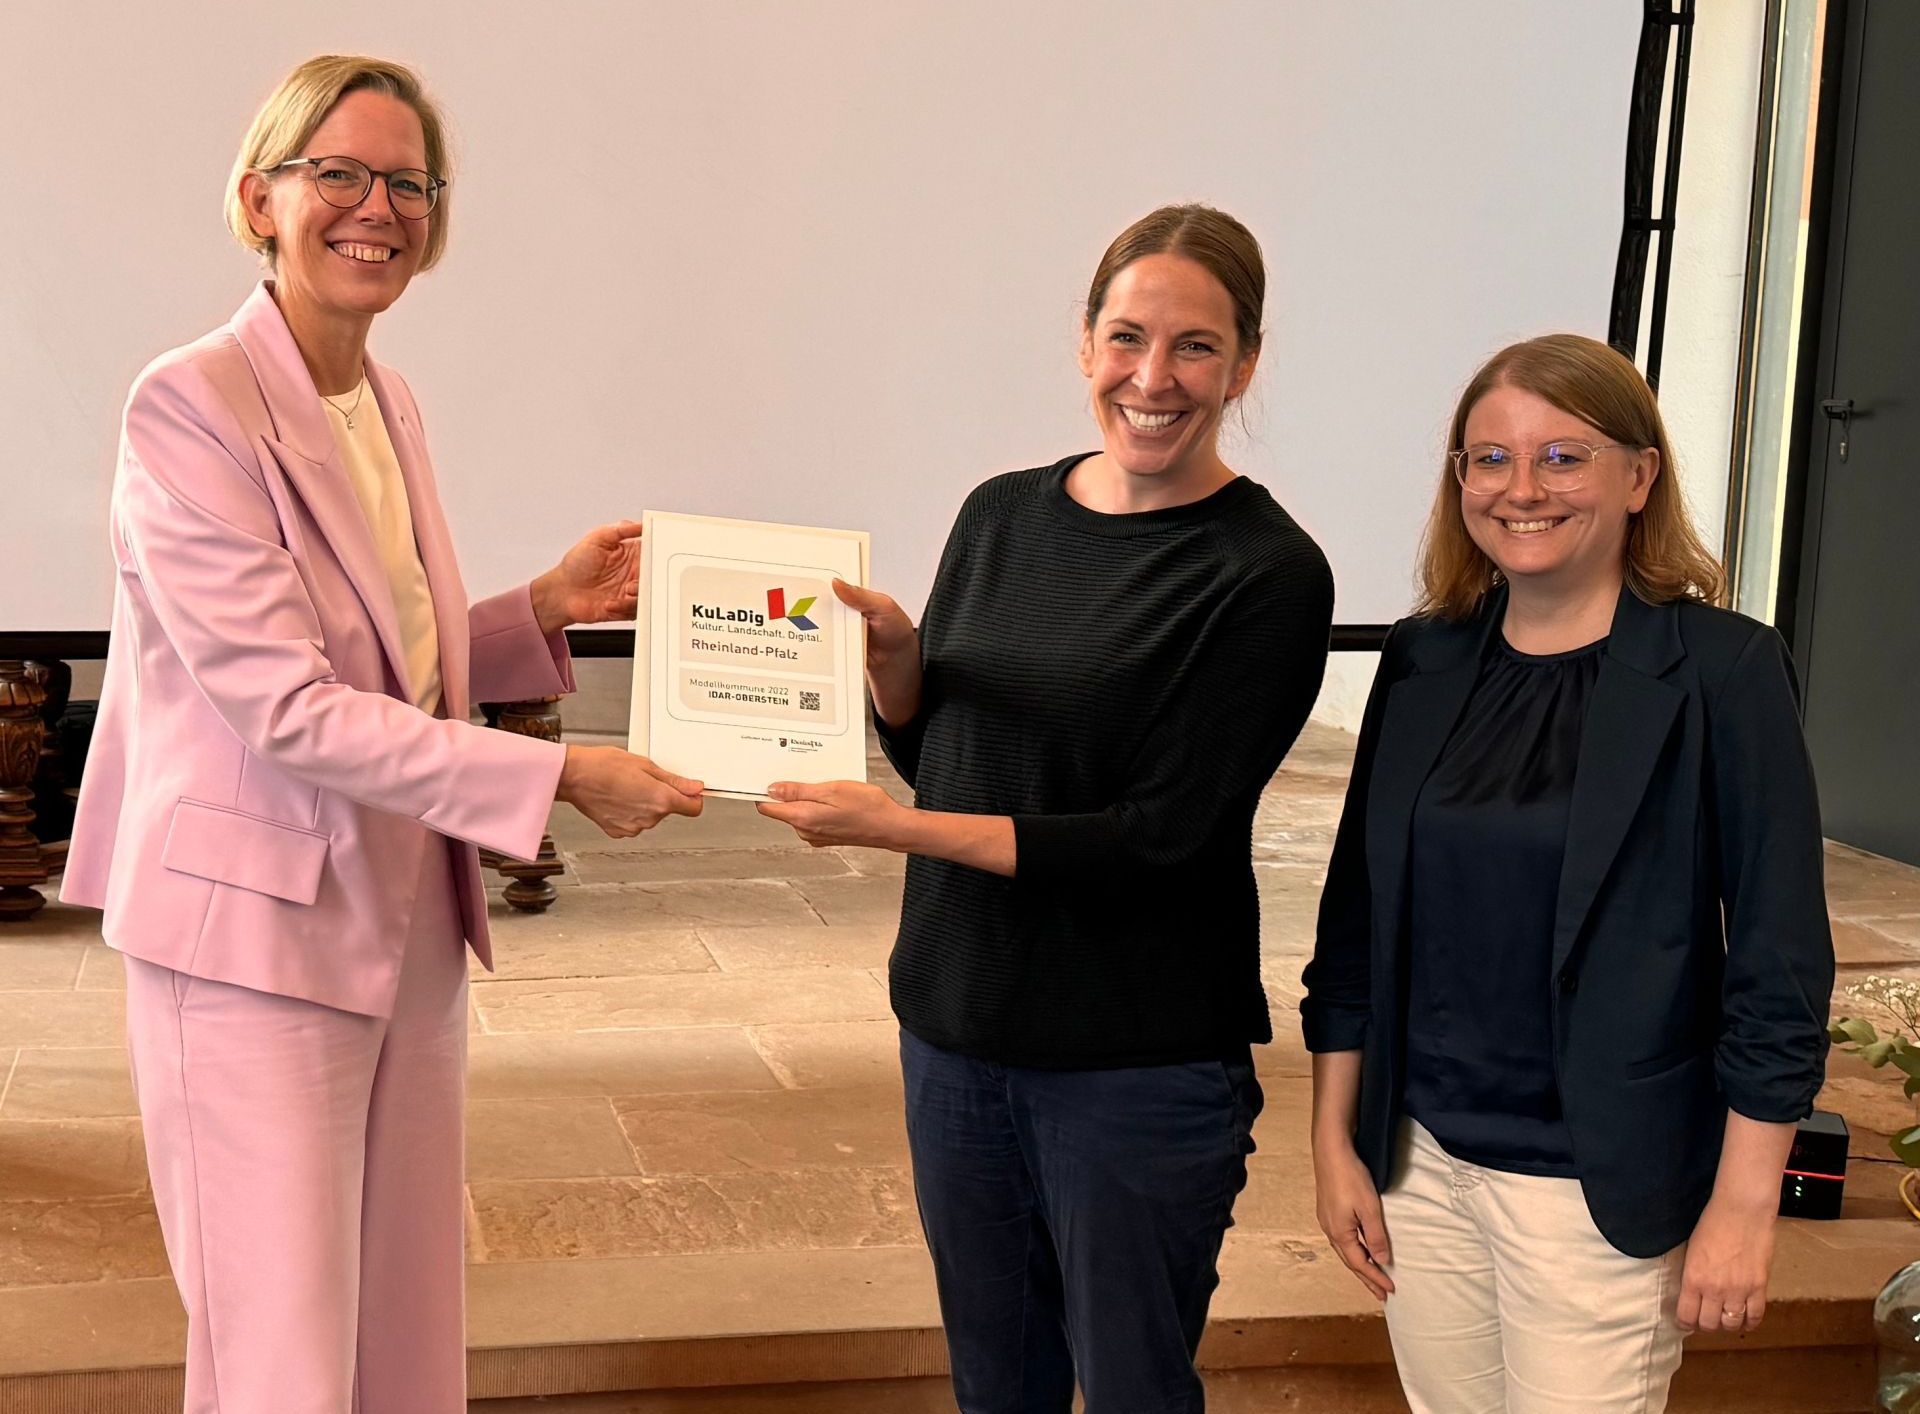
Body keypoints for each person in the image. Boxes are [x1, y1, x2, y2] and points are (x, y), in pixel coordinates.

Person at [61, 55, 703, 1414]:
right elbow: (287, 707)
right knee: (284, 1362)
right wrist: (561, 772)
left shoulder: (386, 397)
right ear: (261, 199)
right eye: (339, 173)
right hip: (252, 940)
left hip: (402, 914)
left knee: (404, 1341)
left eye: (409, 183)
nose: (378, 208)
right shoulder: (191, 403)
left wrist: (542, 609)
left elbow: (385, 659)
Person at [758, 204, 1334, 1412]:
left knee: (1131, 1390)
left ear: (1244, 364)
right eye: (1127, 337)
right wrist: (898, 667)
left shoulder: (1268, 573)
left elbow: (1157, 840)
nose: (1153, 378)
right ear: (1084, 343)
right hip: (956, 1032)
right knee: (996, 1391)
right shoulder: (1001, 513)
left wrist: (891, 831)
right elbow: (945, 757)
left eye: (1194, 346)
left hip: (1131, 1064)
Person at [1301, 334, 1833, 1412]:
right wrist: (1333, 1143)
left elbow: (1778, 962)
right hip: (1421, 1166)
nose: (1521, 488)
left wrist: (1744, 1204)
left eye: (1562, 457)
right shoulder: (1422, 657)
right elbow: (1353, 924)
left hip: (1593, 1189)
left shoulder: (1724, 670)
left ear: (1639, 476)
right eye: (1489, 459)